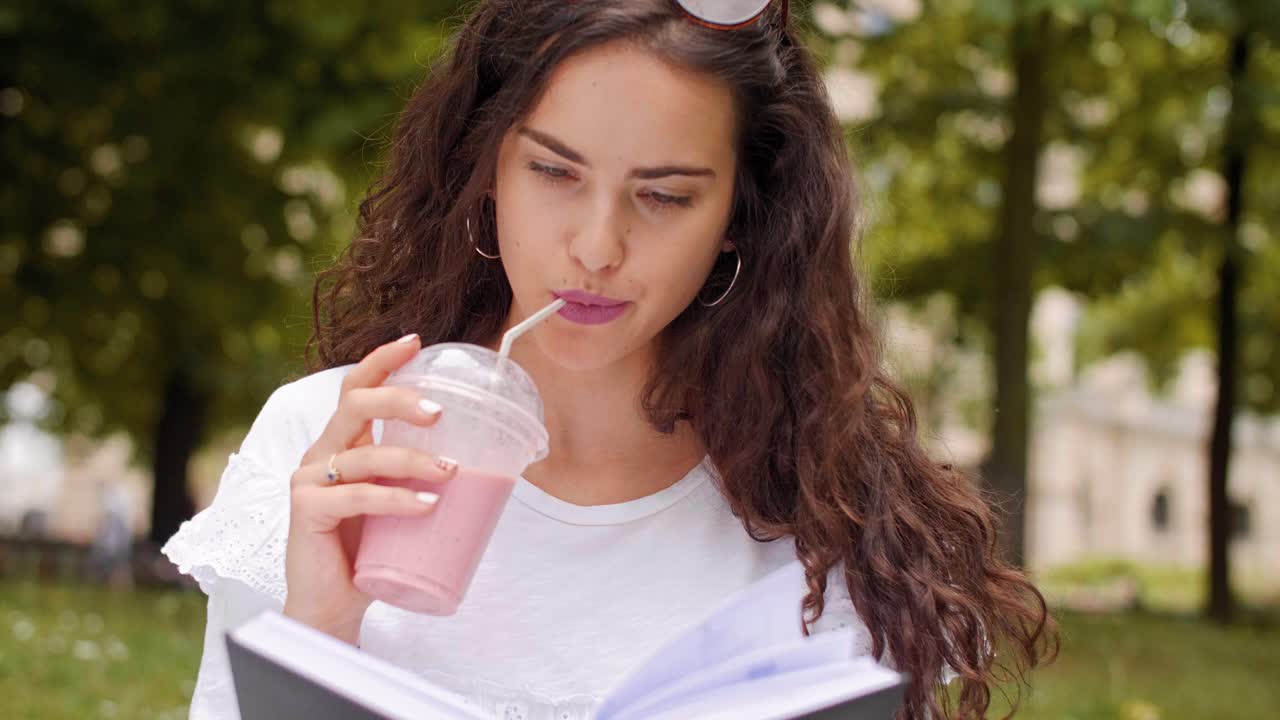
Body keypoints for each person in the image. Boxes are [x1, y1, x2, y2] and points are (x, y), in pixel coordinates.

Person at [163, 1, 1057, 718]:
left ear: (741, 219)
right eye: (554, 173)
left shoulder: (829, 520)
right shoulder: (327, 446)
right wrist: (319, 626)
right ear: (486, 169)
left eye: (664, 196)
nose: (597, 247)